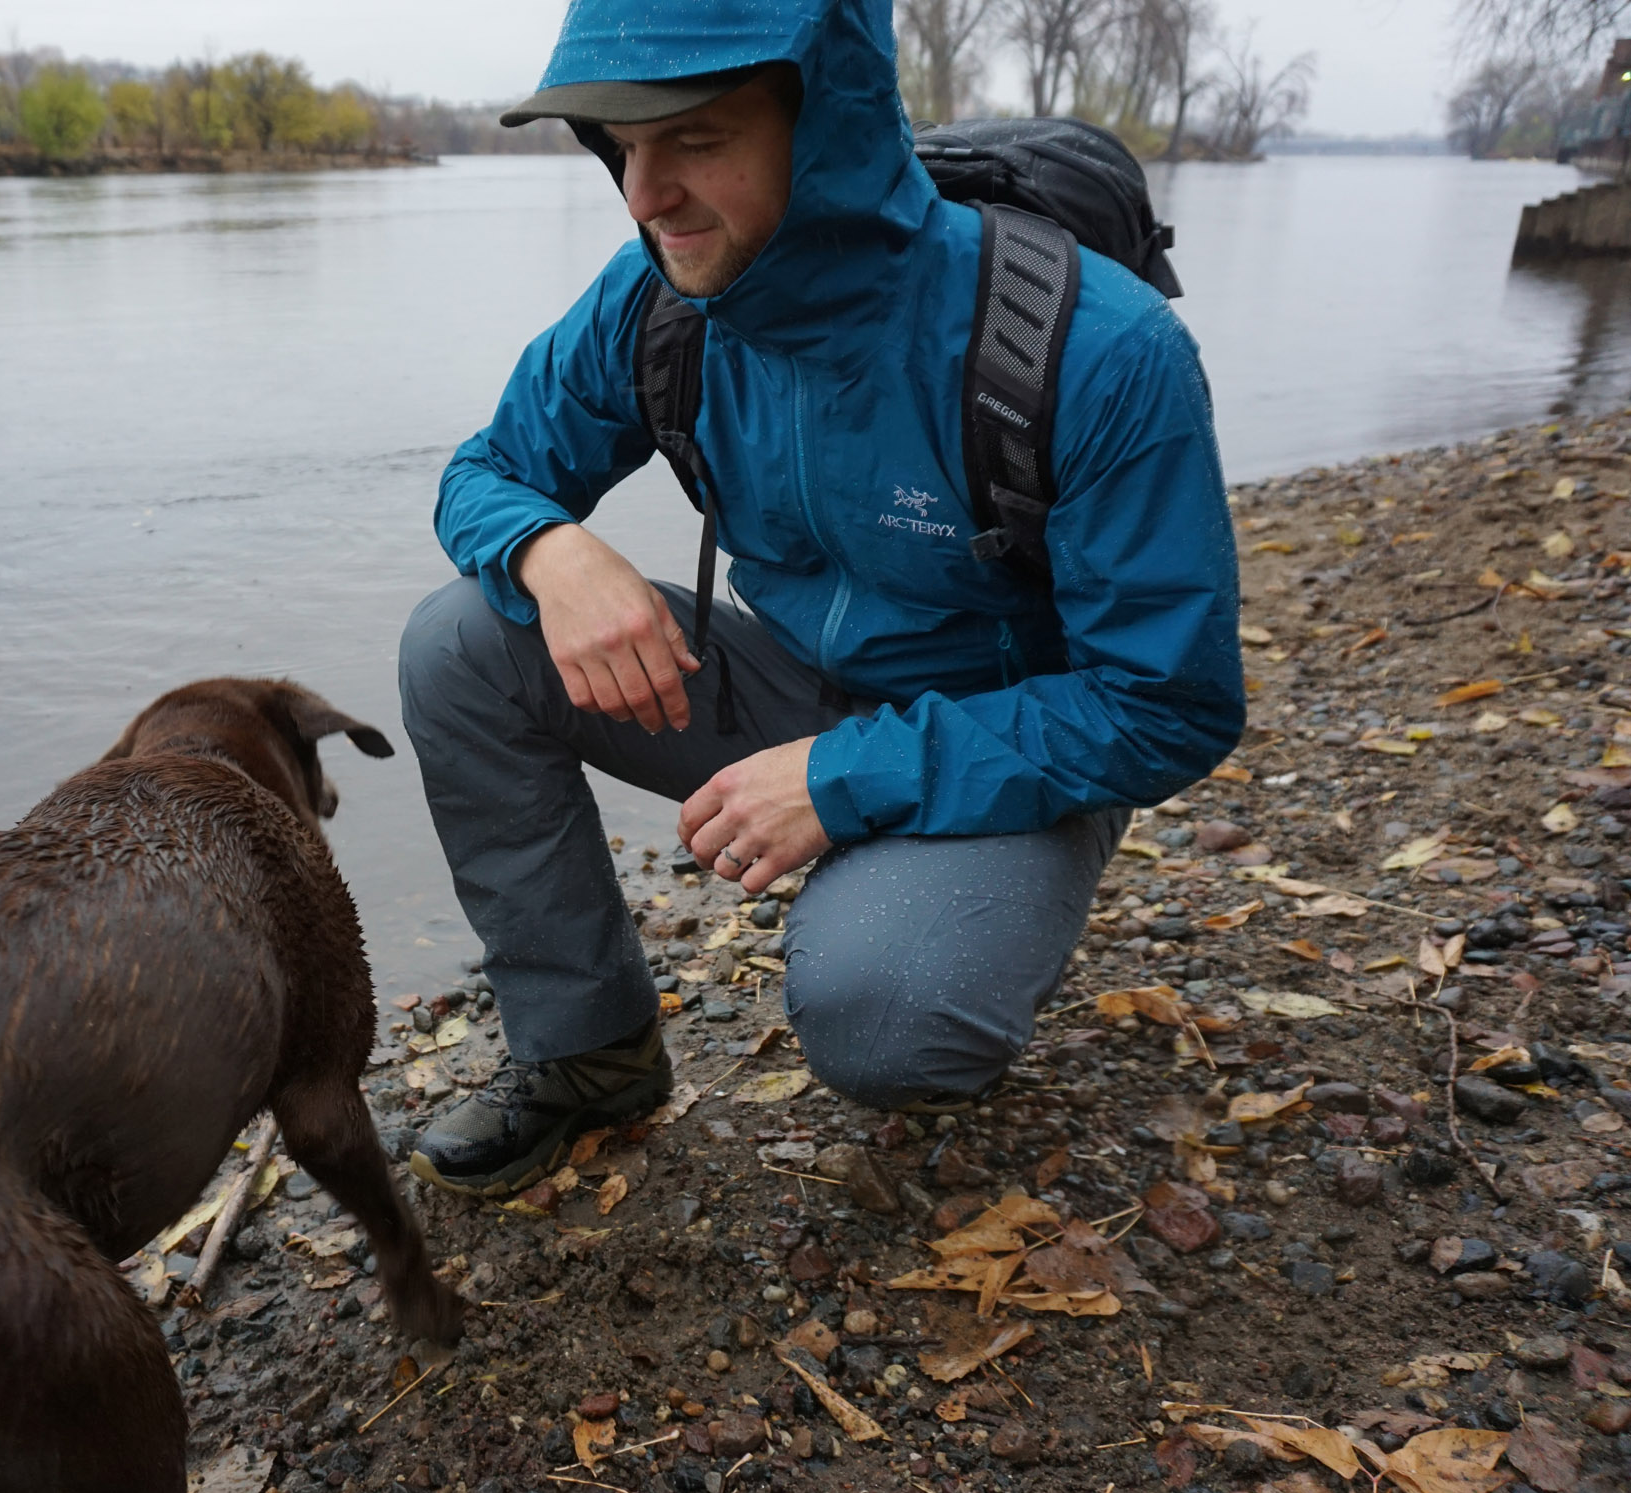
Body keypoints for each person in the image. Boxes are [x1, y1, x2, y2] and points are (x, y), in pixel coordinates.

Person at [398, 0, 1244, 1196]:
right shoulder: (653, 298)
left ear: (826, 119)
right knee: (461, 641)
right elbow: (483, 472)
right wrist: (545, 545)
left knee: (887, 1017)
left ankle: (976, 911)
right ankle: (589, 1052)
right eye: (618, 145)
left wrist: (846, 785)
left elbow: (1169, 707)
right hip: (791, 685)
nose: (645, 196)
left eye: (693, 139)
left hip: (1017, 726)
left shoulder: (1095, 348)